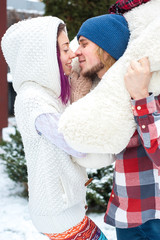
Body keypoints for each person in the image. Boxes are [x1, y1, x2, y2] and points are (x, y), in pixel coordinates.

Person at [58, 1, 160, 239]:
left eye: (84, 44)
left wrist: (140, 98)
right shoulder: (102, 95)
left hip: (154, 217)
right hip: (125, 215)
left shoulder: (150, 85)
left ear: (107, 47)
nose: (76, 52)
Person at [1, 16, 108, 239]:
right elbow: (77, 144)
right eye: (65, 49)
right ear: (43, 58)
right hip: (59, 211)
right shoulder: (33, 100)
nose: (72, 55)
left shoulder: (50, 91)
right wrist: (79, 100)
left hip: (67, 208)